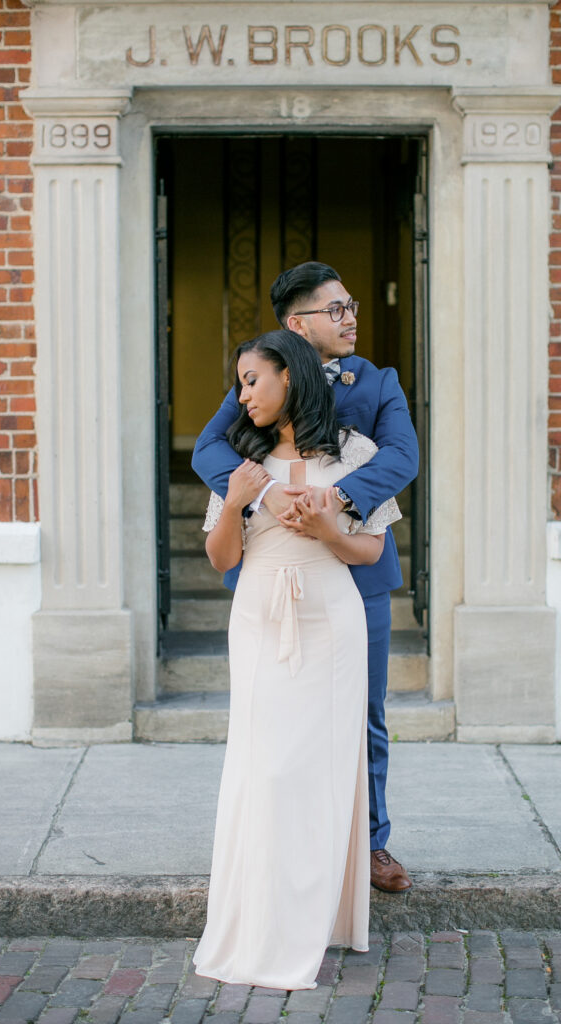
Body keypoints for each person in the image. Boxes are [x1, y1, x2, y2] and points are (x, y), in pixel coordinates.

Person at [192, 262, 420, 893]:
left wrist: (334, 501)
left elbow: (403, 457)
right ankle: (281, 842)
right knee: (274, 718)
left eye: (351, 306)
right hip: (273, 577)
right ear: (297, 324)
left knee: (365, 713)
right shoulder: (260, 376)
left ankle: (370, 843)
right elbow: (208, 450)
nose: (350, 318)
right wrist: (264, 498)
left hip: (353, 573)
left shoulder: (377, 383)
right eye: (336, 309)